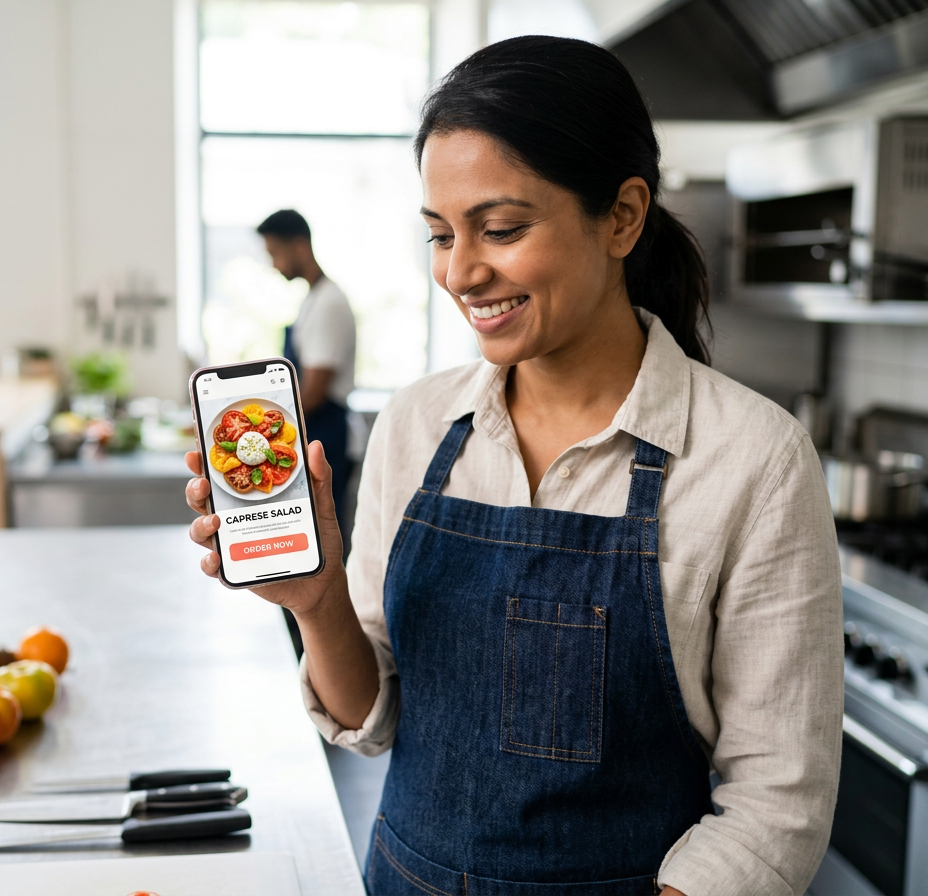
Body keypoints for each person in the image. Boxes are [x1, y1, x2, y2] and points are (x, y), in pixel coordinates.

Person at [187, 37, 842, 896]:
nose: (461, 272)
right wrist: (316, 603)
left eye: (500, 229)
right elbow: (369, 717)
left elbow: (777, 803)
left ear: (622, 215)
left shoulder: (752, 460)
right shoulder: (418, 426)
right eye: (439, 235)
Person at [257, 209, 357, 519]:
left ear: (299, 246)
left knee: (324, 535)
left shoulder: (329, 303)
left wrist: (262, 427)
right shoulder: (314, 299)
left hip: (325, 435)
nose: (274, 265)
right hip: (315, 430)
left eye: (275, 253)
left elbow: (313, 393)